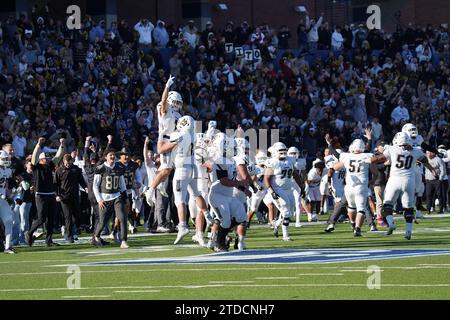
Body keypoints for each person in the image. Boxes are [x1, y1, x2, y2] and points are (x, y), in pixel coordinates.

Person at [371, 132, 436, 239]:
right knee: (408, 208)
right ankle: (408, 231)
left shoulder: (392, 149)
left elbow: (378, 159)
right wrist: (432, 170)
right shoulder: (416, 151)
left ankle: (391, 223)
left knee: (386, 206)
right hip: (409, 181)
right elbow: (425, 161)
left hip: (395, 180)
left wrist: (366, 160)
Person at [25, 137, 64, 247]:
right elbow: (34, 157)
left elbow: (57, 157)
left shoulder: (50, 166)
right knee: (41, 218)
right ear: (40, 160)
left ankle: (49, 240)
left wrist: (61, 146)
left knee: (51, 218)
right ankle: (29, 233)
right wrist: (38, 145)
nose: (47, 160)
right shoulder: (36, 167)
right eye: (44, 158)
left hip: (51, 194)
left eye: (47, 158)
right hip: (40, 194)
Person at [332, 139, 372, 237]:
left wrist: (337, 163)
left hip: (349, 187)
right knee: (361, 209)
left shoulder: (346, 156)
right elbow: (374, 172)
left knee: (351, 207)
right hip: (361, 186)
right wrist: (371, 182)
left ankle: (353, 224)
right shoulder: (367, 156)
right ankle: (358, 228)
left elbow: (336, 167)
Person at [264, 142, 303, 241]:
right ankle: (285, 236)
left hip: (288, 189)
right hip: (277, 189)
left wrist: (301, 187)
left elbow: (295, 174)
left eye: (284, 151)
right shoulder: (272, 162)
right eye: (280, 151)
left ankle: (276, 224)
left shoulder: (290, 160)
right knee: (285, 212)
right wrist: (271, 191)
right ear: (275, 152)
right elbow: (266, 179)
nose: (283, 153)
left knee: (289, 213)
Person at [92, 149, 129, 249]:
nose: (112, 157)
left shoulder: (119, 167)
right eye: (110, 155)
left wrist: (126, 198)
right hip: (105, 198)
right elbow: (95, 186)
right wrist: (99, 199)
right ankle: (96, 236)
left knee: (122, 218)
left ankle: (124, 240)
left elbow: (122, 185)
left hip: (117, 196)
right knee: (102, 221)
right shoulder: (100, 168)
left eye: (113, 155)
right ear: (106, 157)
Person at [55, 154, 88, 243]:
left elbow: (81, 180)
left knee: (76, 215)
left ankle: (74, 231)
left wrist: (85, 187)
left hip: (75, 196)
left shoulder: (75, 169)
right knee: (67, 216)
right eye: (66, 163)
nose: (67, 165)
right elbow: (55, 184)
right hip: (64, 197)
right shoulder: (59, 170)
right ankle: (69, 236)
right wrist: (57, 195)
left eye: (69, 163)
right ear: (63, 161)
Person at [0, 150, 15, 253]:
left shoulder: (7, 170)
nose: (6, 160)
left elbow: (5, 187)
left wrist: (11, 193)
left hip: (2, 199)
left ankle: (8, 247)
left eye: (6, 158)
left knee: (9, 221)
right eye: (3, 159)